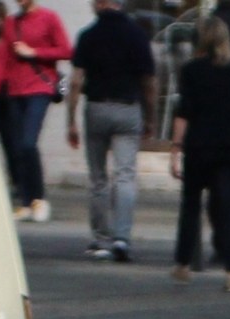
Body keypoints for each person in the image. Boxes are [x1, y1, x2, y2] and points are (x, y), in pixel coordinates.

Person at [172, 17, 230, 288]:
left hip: (199, 147)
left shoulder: (191, 71)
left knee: (190, 205)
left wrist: (176, 148)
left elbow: (183, 113)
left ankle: (183, 264)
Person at [66, 0, 155, 262]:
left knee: (98, 178)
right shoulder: (138, 35)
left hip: (96, 107)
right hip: (128, 109)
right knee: (125, 175)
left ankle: (101, 239)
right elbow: (149, 82)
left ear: (102, 3)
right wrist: (151, 118)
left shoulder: (88, 35)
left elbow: (75, 81)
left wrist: (70, 119)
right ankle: (121, 238)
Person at [0, 0, 70, 221]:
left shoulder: (49, 17)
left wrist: (34, 52)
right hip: (14, 91)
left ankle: (38, 199)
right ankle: (26, 201)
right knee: (17, 147)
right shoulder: (11, 22)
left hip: (40, 88)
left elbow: (66, 50)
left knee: (28, 142)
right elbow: (2, 60)